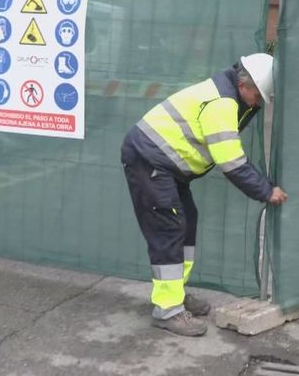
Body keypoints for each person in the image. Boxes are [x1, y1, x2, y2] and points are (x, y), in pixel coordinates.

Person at [120, 53, 288, 336]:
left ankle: (175, 295)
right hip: (149, 160)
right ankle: (167, 311)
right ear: (244, 85)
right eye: (258, 97)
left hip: (165, 164)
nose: (258, 104)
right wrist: (266, 191)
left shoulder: (229, 92)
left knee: (186, 221)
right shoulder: (221, 105)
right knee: (169, 228)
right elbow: (232, 164)